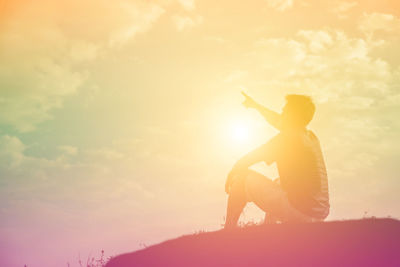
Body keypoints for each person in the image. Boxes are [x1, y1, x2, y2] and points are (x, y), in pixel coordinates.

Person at [224, 92, 330, 229]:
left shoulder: (286, 139)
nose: (281, 112)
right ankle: (270, 229)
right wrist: (256, 106)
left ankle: (228, 231)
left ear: (292, 116)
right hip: (319, 214)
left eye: (285, 110)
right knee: (278, 183)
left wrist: (232, 173)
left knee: (241, 178)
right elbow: (276, 120)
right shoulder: (310, 137)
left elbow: (249, 159)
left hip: (300, 212)